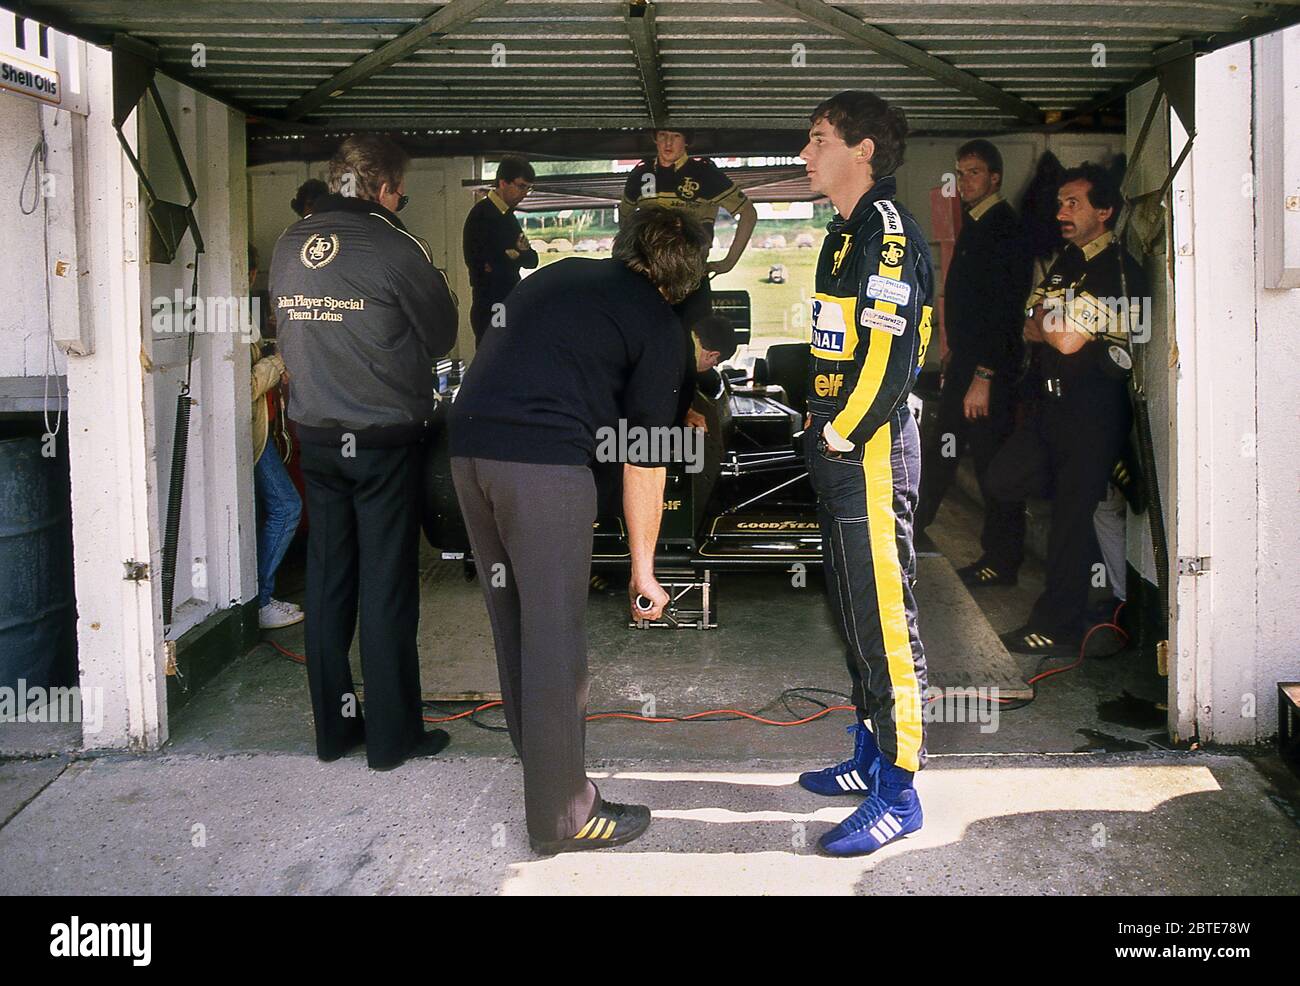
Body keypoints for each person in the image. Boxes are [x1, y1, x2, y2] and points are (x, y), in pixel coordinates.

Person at [448, 208, 709, 855]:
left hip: (465, 450)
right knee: (556, 635)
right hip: (540, 466)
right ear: (686, 276)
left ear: (624, 246)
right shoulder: (660, 325)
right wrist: (644, 570)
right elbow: (645, 459)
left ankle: (541, 763)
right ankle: (565, 813)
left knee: (513, 619)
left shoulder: (561, 276)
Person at [271, 134, 459, 770]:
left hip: (316, 437)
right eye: (398, 190)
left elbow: (289, 329)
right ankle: (391, 739)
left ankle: (334, 733)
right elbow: (440, 334)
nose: (399, 200)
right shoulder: (394, 243)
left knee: (327, 584)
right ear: (382, 188)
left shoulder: (289, 243)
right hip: (383, 437)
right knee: (386, 586)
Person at [794, 90, 934, 856]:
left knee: (886, 623)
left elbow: (892, 352)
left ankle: (900, 793)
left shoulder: (885, 230)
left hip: (871, 449)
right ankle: (870, 753)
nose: (806, 155)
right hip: (839, 444)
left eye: (818, 140)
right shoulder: (839, 235)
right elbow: (834, 346)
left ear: (863, 149)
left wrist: (842, 432)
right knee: (852, 614)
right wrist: (819, 421)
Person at [985, 163, 1147, 656]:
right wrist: (1048, 321)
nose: (1061, 212)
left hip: (1094, 412)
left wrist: (1048, 321)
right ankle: (1093, 488)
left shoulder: (1118, 270)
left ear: (1106, 211)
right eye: (1059, 203)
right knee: (1002, 479)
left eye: (1073, 203)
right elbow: (1030, 323)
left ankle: (1057, 626)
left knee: (1070, 526)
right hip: (1052, 406)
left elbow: (1061, 335)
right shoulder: (1068, 262)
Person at [915, 139, 1032, 586]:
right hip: (965, 363)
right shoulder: (976, 223)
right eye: (960, 173)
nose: (964, 182)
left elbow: (1003, 310)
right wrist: (952, 361)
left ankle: (1001, 561)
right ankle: (908, 531)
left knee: (992, 466)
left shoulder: (1004, 228)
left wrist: (983, 375)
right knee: (940, 452)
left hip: (990, 369)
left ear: (995, 177)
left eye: (975, 173)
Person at [620, 129, 756, 427]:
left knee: (691, 349)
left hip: (692, 279)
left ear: (687, 141)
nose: (668, 143)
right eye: (662, 135)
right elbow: (625, 217)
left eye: (676, 136)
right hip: (648, 282)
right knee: (640, 345)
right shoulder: (640, 173)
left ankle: (685, 412)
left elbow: (748, 212)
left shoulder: (703, 172)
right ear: (654, 139)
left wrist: (729, 262)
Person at [248, 243, 302, 630]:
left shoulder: (234, 312)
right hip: (250, 430)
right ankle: (260, 599)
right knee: (286, 506)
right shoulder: (231, 316)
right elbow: (245, 384)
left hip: (255, 429)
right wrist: (279, 358)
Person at [462, 155, 537, 345]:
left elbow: (531, 260)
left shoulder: (508, 217)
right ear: (503, 183)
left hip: (505, 301)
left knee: (505, 352)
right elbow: (485, 268)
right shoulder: (482, 216)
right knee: (495, 351)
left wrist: (514, 255)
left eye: (528, 188)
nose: (524, 193)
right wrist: (515, 255)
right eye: (521, 186)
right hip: (493, 303)